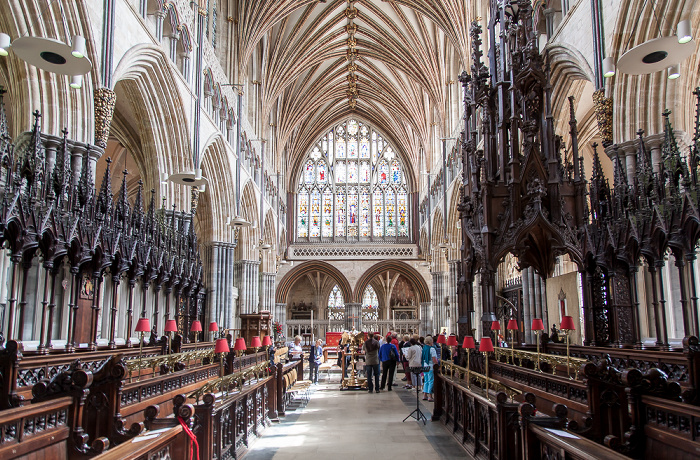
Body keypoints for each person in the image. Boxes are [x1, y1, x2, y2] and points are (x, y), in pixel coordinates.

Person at [421, 336, 438, 402]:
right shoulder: (432, 349)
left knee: (426, 380)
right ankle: (430, 396)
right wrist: (437, 364)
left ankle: (425, 394)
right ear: (431, 341)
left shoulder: (424, 348)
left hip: (425, 365)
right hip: (430, 366)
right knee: (431, 381)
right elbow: (434, 359)